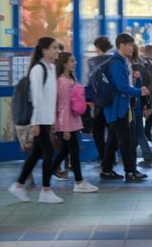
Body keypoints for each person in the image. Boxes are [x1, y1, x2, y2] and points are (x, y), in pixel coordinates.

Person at [9, 37, 64, 204]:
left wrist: (51, 120)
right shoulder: (38, 70)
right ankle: (45, 191)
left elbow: (49, 98)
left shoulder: (51, 67)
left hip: (46, 120)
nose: (57, 51)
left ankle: (18, 186)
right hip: (39, 120)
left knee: (36, 154)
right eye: (54, 48)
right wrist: (36, 122)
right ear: (44, 50)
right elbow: (36, 98)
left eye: (57, 48)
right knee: (49, 152)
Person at [100, 33, 150, 182]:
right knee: (126, 141)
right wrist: (139, 91)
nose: (132, 48)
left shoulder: (122, 62)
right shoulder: (117, 63)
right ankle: (130, 171)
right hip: (118, 108)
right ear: (121, 45)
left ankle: (106, 169)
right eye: (130, 45)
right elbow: (121, 87)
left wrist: (137, 79)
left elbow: (125, 84)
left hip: (119, 107)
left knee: (113, 140)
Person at [51, 52, 98, 193]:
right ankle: (79, 182)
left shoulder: (67, 79)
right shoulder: (64, 83)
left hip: (71, 122)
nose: (75, 63)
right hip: (67, 125)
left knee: (64, 151)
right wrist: (64, 129)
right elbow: (63, 107)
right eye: (72, 61)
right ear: (64, 64)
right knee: (74, 152)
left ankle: (48, 173)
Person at [87, 36, 114, 164]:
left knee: (98, 133)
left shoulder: (91, 62)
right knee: (113, 132)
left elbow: (90, 83)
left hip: (97, 103)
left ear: (97, 47)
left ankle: (104, 157)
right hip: (112, 101)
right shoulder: (114, 59)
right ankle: (111, 157)